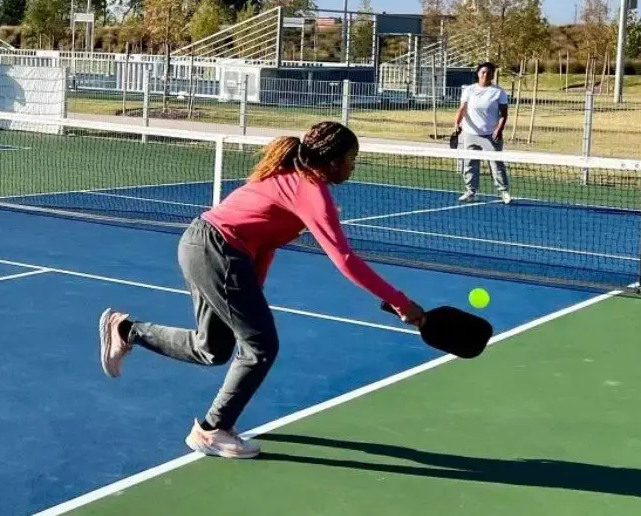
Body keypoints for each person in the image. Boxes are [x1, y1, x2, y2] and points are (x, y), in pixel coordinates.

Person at [98, 122, 423, 460]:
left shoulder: (289, 178)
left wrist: (253, 289)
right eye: (351, 158)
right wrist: (401, 302)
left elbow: (265, 244)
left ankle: (126, 330)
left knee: (212, 348)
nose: (353, 166)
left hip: (204, 246)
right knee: (261, 346)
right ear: (331, 160)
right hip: (218, 251)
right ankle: (212, 430)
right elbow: (343, 259)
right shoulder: (311, 190)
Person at [452, 61, 511, 204]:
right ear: (478, 74)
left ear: (492, 75)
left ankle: (504, 192)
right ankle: (470, 192)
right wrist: (457, 124)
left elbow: (504, 113)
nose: (486, 75)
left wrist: (499, 129)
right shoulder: (469, 90)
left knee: (496, 164)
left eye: (489, 72)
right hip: (470, 133)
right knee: (470, 163)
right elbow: (462, 109)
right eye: (483, 72)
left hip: (491, 134)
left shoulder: (498, 92)